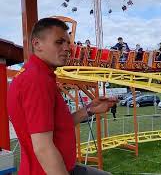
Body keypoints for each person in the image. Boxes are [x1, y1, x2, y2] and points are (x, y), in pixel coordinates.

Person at [7, 18, 117, 175]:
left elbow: (55, 125)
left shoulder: (39, 74)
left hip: (60, 166)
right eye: (59, 42)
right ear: (37, 44)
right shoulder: (36, 80)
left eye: (68, 43)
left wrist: (89, 109)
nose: (67, 48)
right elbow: (43, 147)